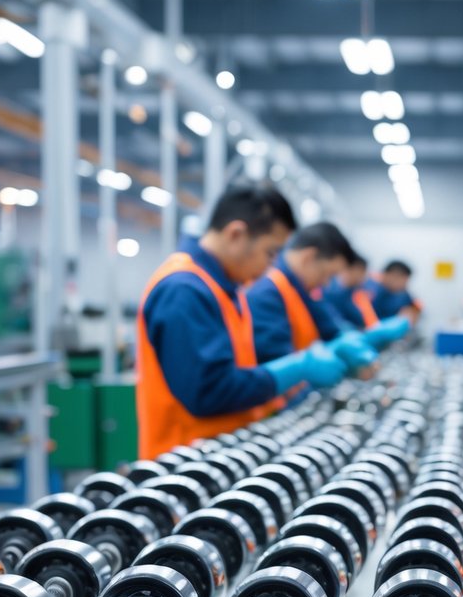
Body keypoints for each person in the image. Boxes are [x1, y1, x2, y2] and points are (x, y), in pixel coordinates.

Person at [136, 184, 343, 458]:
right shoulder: (183, 289)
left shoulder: (225, 287)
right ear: (236, 234)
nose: (271, 266)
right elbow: (209, 393)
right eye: (270, 252)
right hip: (183, 467)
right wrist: (296, 368)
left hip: (218, 456)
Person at [247, 222, 385, 387]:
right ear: (309, 258)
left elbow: (330, 328)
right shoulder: (267, 294)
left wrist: (349, 343)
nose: (326, 283)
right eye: (327, 274)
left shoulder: (304, 290)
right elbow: (275, 364)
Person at [323, 250, 380, 329]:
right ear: (351, 269)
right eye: (362, 272)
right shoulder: (329, 290)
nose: (364, 277)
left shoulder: (356, 293)